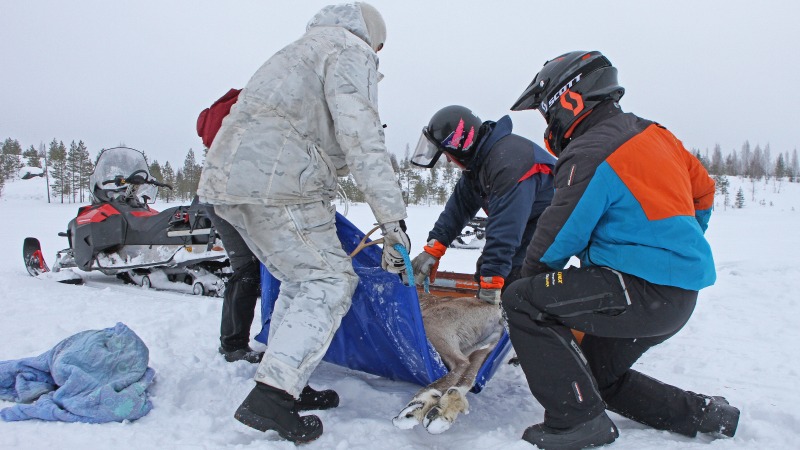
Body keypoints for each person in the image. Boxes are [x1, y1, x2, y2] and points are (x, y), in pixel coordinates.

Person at [502, 50, 740, 449]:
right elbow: (704, 192)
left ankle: (577, 421)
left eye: (547, 112)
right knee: (593, 378)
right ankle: (706, 415)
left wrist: (528, 292)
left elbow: (558, 236)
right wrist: (673, 248)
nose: (549, 124)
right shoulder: (655, 134)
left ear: (569, 99)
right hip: (676, 296)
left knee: (522, 299)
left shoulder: (592, 149)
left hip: (635, 289)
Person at [197, 2, 409, 443]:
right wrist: (393, 222)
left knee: (298, 280)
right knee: (329, 281)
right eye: (380, 48)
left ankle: (287, 383)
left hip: (230, 182)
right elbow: (361, 137)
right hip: (279, 183)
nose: (378, 56)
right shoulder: (350, 49)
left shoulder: (302, 49)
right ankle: (272, 398)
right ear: (373, 37)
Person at [409, 105, 556, 304]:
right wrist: (433, 250)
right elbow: (458, 208)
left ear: (459, 146)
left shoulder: (507, 163)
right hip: (531, 218)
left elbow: (506, 228)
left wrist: (492, 284)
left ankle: (524, 326)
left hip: (556, 219)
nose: (449, 161)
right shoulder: (480, 163)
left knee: (514, 277)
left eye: (447, 154)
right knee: (489, 269)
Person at [203, 204, 263, 364]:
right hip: (224, 202)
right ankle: (232, 345)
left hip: (239, 201)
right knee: (247, 268)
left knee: (252, 265)